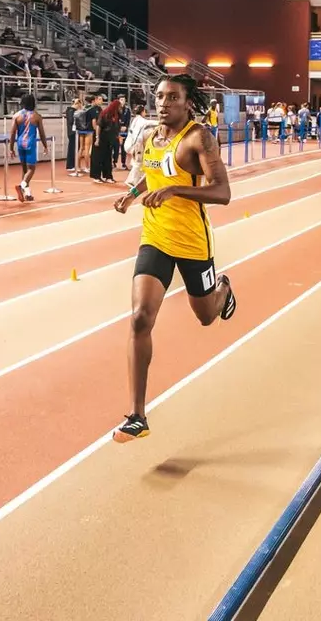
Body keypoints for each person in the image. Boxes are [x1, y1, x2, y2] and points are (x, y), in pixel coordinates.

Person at [110, 74, 238, 443]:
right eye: (159, 96)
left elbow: (223, 192)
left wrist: (175, 190)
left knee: (205, 316)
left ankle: (224, 289)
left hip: (193, 242)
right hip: (155, 238)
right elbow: (153, 175)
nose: (163, 103)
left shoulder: (199, 138)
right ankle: (137, 415)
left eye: (172, 97)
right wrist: (132, 193)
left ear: (187, 102)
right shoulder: (152, 137)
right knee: (139, 319)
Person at [8, 93, 48, 202]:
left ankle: (28, 193)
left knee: (25, 170)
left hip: (20, 143)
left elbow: (12, 133)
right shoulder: (37, 116)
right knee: (31, 169)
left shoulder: (16, 116)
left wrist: (11, 148)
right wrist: (45, 146)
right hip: (30, 144)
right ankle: (21, 187)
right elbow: (42, 133)